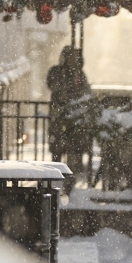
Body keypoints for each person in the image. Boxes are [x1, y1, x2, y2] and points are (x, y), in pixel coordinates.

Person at [47, 46, 92, 181]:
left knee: (74, 146)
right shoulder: (56, 71)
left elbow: (85, 91)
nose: (73, 60)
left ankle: (71, 174)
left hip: (74, 116)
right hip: (58, 114)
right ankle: (56, 173)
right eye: (70, 57)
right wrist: (68, 85)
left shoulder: (79, 73)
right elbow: (52, 86)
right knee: (57, 147)